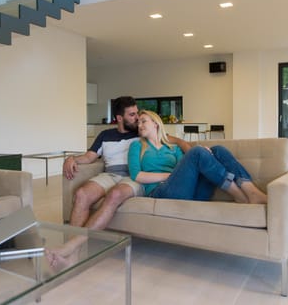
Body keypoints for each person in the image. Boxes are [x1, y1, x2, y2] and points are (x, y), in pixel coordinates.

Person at [47, 98, 190, 269]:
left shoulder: (141, 132)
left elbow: (168, 138)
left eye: (137, 114)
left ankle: (70, 249)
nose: (137, 118)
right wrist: (71, 158)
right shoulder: (105, 135)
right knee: (81, 194)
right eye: (132, 114)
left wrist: (187, 146)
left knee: (115, 194)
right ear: (119, 118)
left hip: (132, 177)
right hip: (109, 175)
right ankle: (73, 255)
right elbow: (89, 157)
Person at [128, 110, 267, 204]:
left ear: (156, 124)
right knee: (197, 152)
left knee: (218, 150)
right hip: (161, 192)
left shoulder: (173, 147)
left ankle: (250, 189)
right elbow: (137, 176)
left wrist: (204, 156)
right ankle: (239, 195)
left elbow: (186, 169)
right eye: (138, 123)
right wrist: (170, 176)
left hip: (190, 193)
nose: (139, 125)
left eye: (143, 121)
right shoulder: (137, 145)